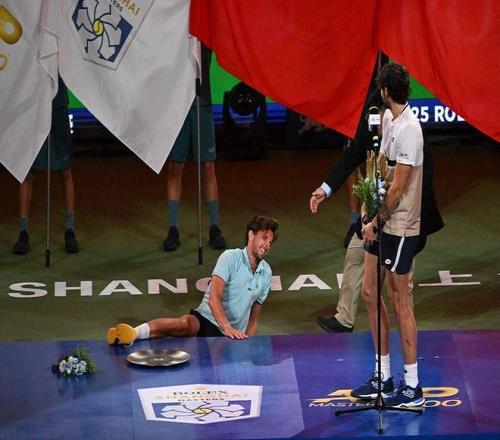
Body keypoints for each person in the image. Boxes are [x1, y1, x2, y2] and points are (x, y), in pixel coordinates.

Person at [310, 62, 442, 333]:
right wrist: (325, 188)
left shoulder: (410, 132)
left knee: (401, 288)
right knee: (356, 256)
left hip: (403, 220)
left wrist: (411, 222)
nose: (377, 121)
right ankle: (344, 318)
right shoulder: (375, 116)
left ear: (387, 95)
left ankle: (406, 331)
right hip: (375, 212)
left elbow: (415, 186)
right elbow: (354, 153)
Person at [350, 62, 427, 407]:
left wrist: (375, 222)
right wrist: (366, 208)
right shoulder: (388, 121)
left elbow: (398, 191)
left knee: (399, 301)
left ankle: (412, 387)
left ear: (384, 91)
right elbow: (380, 171)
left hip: (401, 226)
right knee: (370, 292)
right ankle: (383, 376)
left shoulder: (410, 130)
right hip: (380, 220)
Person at [107, 216, 278, 345]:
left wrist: (249, 345)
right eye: (264, 238)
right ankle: (132, 333)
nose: (267, 245)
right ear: (251, 235)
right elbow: (213, 299)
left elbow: (253, 319)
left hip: (232, 337)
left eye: (270, 242)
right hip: (207, 320)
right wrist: (226, 327)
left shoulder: (266, 272)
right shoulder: (230, 258)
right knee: (182, 325)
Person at [162, 43, 226, 251]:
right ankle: (173, 229)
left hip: (202, 101)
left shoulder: (204, 31)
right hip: (176, 105)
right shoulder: (171, 28)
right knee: (175, 166)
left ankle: (214, 227)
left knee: (207, 166)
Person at [13, 76, 79, 255]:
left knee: (65, 171)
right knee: (26, 172)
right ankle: (23, 232)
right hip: (33, 107)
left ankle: (70, 231)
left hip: (58, 107)